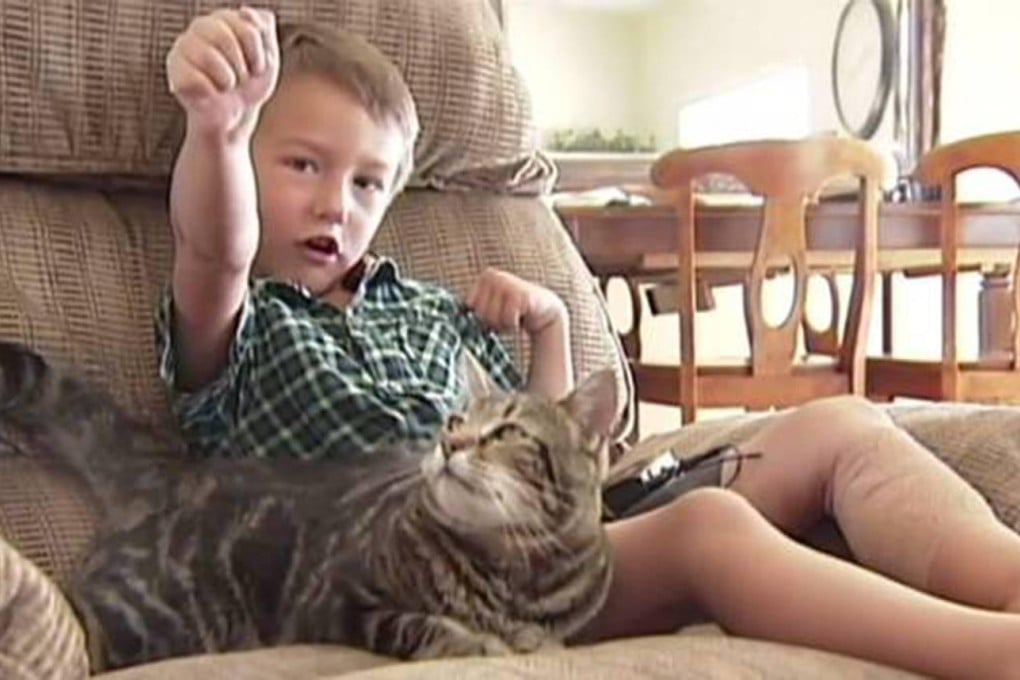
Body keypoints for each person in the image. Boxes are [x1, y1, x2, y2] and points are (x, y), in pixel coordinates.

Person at [159, 7, 1020, 678]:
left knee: (833, 426)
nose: (334, 204)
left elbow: (551, 442)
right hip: (455, 579)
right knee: (705, 531)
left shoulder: (421, 308)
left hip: (565, 523)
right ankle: (990, 655)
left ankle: (1006, 583)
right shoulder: (241, 328)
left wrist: (550, 331)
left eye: (368, 181)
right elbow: (213, 249)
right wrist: (219, 128)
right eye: (302, 165)